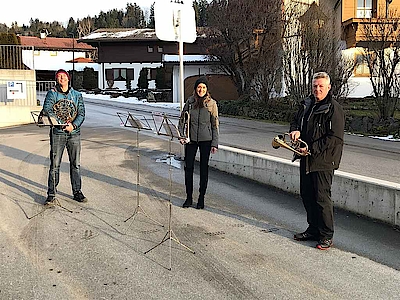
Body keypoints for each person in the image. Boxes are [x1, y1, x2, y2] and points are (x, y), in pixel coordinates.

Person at [289, 71, 344, 250]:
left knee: (322, 198)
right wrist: (295, 130)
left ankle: (326, 234)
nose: (317, 89)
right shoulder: (306, 104)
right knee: (307, 195)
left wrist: (311, 148)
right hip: (306, 158)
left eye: (321, 86)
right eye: (315, 86)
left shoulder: (334, 108)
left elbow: (334, 138)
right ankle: (313, 229)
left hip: (324, 160)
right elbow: (295, 121)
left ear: (328, 87)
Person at [43, 69, 87, 204]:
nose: (61, 78)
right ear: (57, 80)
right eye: (59, 77)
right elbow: (47, 110)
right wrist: (62, 124)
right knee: (55, 164)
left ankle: (77, 192)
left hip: (74, 133)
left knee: (76, 164)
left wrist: (73, 126)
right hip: (58, 133)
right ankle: (51, 194)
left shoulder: (77, 95)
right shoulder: (52, 93)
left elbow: (81, 114)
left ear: (68, 78)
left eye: (64, 76)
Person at [178, 76, 219, 209]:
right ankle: (189, 198)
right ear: (195, 89)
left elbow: (215, 124)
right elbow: (182, 120)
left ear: (206, 89)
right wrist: (182, 135)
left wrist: (214, 143)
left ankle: (201, 198)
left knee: (203, 169)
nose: (201, 89)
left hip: (206, 140)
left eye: (203, 87)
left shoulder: (212, 104)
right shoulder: (189, 102)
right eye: (199, 87)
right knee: (188, 168)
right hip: (191, 140)